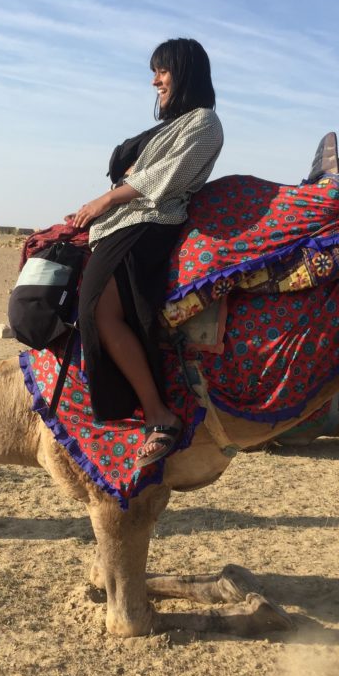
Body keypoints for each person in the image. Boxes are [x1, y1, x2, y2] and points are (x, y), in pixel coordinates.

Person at [71, 38, 223, 468]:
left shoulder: (205, 123)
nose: (155, 80)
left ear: (185, 72)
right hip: (125, 221)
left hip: (148, 222)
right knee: (86, 306)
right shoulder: (173, 125)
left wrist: (106, 201)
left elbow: (165, 178)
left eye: (163, 71)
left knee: (98, 311)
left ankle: (159, 416)